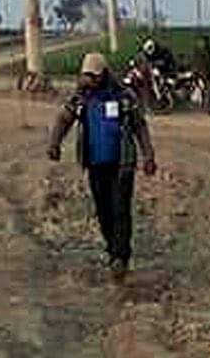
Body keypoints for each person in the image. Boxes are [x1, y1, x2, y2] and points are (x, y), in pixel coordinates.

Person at [46, 51, 157, 278]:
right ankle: (112, 250)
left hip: (122, 164)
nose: (90, 80)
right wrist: (55, 144)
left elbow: (140, 126)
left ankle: (121, 257)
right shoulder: (81, 98)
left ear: (104, 74)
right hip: (95, 164)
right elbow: (63, 119)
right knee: (103, 211)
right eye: (86, 76)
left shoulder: (124, 96)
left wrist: (148, 156)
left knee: (120, 210)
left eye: (94, 76)